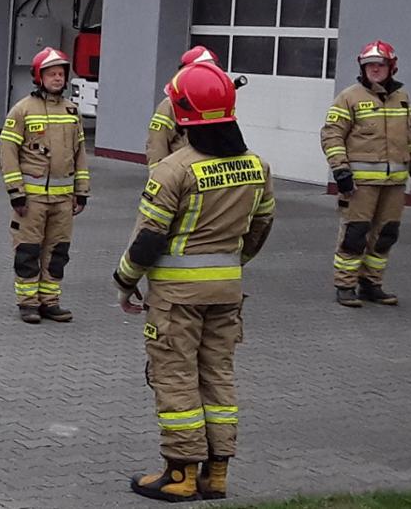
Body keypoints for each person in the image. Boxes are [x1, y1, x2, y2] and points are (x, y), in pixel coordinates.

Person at [114, 62, 275, 501]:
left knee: (176, 377)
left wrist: (125, 282)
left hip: (176, 299)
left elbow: (148, 240)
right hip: (227, 291)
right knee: (218, 376)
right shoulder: (256, 166)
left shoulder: (172, 170)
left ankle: (180, 474)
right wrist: (232, 261)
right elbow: (261, 228)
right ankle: (217, 473)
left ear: (182, 112)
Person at [322, 40, 411, 307]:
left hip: (394, 184)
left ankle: (371, 284)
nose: (375, 70)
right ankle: (345, 285)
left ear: (391, 67)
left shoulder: (402, 98)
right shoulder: (349, 97)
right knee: (355, 234)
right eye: (370, 65)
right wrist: (340, 170)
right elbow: (332, 135)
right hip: (360, 185)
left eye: (380, 65)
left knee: (385, 235)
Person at [0, 47, 91, 323]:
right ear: (39, 77)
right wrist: (16, 192)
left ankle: (50, 301)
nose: (57, 79)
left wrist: (82, 191)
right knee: (28, 251)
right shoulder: (23, 110)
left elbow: (80, 153)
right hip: (32, 200)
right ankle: (28, 303)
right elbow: (7, 152)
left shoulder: (71, 111)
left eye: (61, 74)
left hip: (63, 200)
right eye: (51, 74)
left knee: (57, 253)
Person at [145, 46, 221, 166]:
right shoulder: (171, 104)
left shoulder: (219, 102)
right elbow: (157, 143)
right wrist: (158, 174)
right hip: (182, 173)